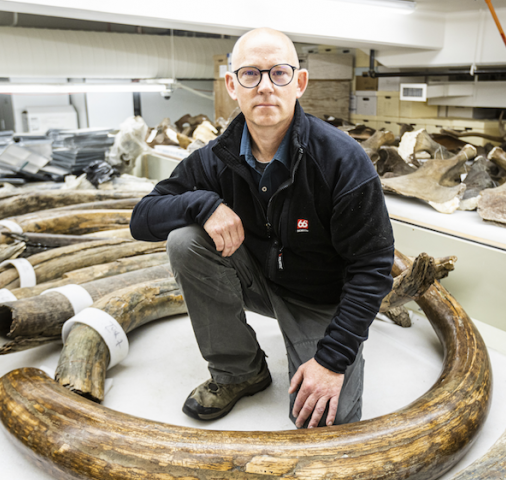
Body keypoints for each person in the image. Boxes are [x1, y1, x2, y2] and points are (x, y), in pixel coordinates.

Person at [129, 27, 394, 429]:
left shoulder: (342, 160)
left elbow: (373, 266)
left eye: (279, 73)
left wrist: (332, 359)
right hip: (260, 279)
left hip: (320, 299)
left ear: (299, 82)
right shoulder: (215, 158)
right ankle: (240, 371)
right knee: (186, 240)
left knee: (326, 422)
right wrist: (204, 204)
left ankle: (318, 350)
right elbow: (142, 218)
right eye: (251, 74)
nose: (266, 86)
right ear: (232, 85)